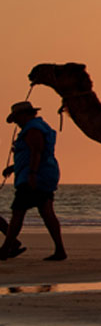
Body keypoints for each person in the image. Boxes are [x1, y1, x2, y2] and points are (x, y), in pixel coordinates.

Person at [0, 101, 65, 261]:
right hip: (41, 174)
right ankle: (60, 250)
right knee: (46, 212)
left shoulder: (33, 129)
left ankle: (6, 248)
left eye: (17, 118)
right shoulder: (36, 127)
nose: (16, 122)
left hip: (36, 176)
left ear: (25, 115)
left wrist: (31, 174)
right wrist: (15, 168)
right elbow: (33, 154)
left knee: (18, 212)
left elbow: (37, 152)